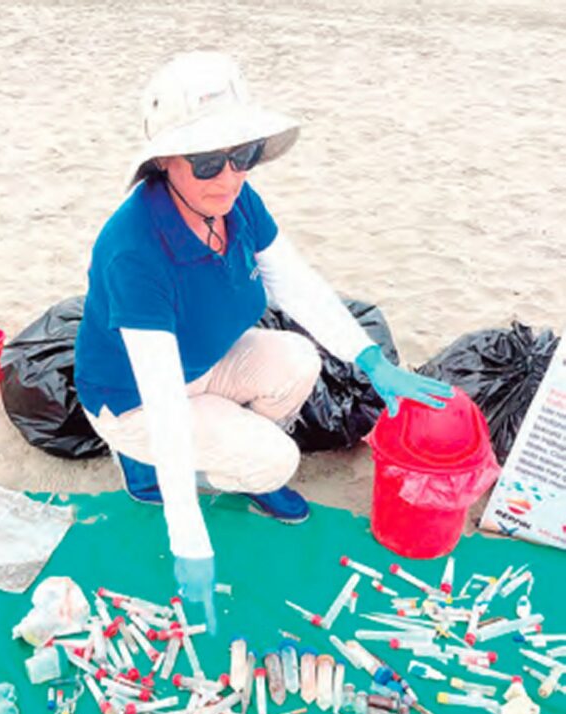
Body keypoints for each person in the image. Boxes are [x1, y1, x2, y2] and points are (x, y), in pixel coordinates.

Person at [74, 51, 452, 629]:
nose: (229, 176)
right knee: (278, 460)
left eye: (242, 154)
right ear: (165, 161)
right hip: (138, 398)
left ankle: (238, 463)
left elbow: (295, 284)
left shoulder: (235, 201)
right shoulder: (133, 248)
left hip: (203, 363)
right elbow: (168, 406)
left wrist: (372, 360)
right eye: (206, 161)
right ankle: (147, 462)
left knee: (299, 358)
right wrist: (188, 540)